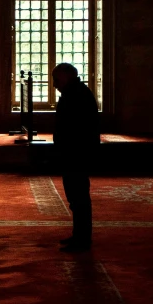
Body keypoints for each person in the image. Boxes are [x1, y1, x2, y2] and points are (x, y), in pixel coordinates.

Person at [52, 62, 100, 252]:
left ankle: (82, 239)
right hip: (74, 153)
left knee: (78, 197)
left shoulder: (76, 96)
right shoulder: (76, 93)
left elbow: (77, 129)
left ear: (66, 77)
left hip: (76, 154)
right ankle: (79, 235)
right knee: (76, 197)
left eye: (56, 79)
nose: (54, 84)